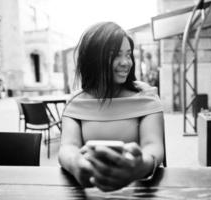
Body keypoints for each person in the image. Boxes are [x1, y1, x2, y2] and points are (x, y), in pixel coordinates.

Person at [58, 22, 165, 192]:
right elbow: (67, 147)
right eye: (115, 55)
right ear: (93, 59)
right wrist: (76, 164)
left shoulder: (145, 96)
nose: (125, 62)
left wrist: (139, 166)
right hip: (92, 189)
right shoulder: (76, 102)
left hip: (138, 190)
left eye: (128, 55)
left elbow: (154, 146)